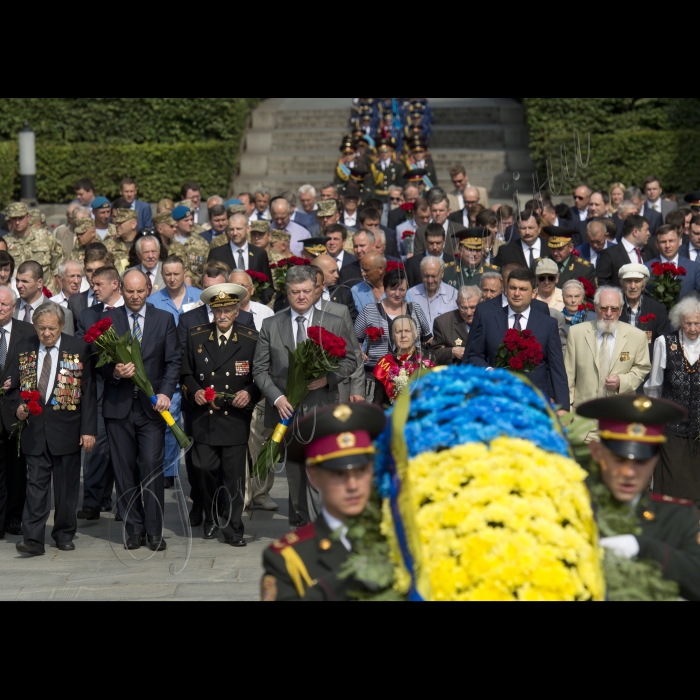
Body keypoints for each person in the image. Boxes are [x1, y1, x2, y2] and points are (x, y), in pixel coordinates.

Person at [253, 266, 358, 527]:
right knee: (296, 473)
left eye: (306, 291)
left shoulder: (332, 322)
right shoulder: (271, 324)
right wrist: (277, 398)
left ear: (316, 290)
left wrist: (328, 379)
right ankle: (302, 525)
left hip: (322, 407)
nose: (301, 296)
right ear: (287, 293)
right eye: (295, 292)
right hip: (286, 412)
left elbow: (351, 360)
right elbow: (259, 369)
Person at [577, 395, 700, 602]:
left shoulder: (677, 518)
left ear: (655, 460)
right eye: (619, 459)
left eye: (641, 462)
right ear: (597, 452)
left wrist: (646, 548)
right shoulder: (574, 509)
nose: (629, 472)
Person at [261, 403, 387, 602]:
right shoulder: (288, 558)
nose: (353, 485)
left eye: (360, 471)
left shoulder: (399, 538)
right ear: (313, 476)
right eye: (339, 474)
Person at [101, 270, 181, 552]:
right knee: (124, 471)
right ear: (120, 290)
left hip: (151, 409)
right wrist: (115, 371)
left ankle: (154, 531)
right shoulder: (110, 321)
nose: (135, 297)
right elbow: (98, 363)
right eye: (129, 291)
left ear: (148, 289)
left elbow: (173, 361)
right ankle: (133, 530)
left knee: (151, 465)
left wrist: (166, 392)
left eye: (140, 291)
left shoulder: (164, 319)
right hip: (119, 407)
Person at [8, 302, 97, 556]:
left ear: (62, 326)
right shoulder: (23, 348)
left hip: (67, 429)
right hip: (35, 430)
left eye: (51, 328)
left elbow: (89, 393)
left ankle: (64, 533)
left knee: (66, 487)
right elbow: (13, 388)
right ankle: (33, 538)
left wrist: (88, 430)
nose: (46, 333)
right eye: (41, 328)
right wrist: (18, 408)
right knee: (35, 485)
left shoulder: (79, 349)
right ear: (35, 327)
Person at [181, 283, 260, 547]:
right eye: (217, 310)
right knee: (203, 467)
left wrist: (250, 393)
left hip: (235, 418)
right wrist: (195, 391)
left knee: (235, 477)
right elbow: (186, 374)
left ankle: (233, 527)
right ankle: (211, 514)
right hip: (205, 418)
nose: (222, 315)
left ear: (237, 311)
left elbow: (259, 376)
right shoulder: (197, 336)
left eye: (227, 310)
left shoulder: (250, 338)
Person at [466, 267, 569, 412]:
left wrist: (563, 407)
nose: (516, 293)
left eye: (522, 289)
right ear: (506, 290)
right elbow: (473, 356)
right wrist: (490, 371)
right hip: (496, 400)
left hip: (536, 402)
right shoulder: (488, 319)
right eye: (512, 288)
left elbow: (556, 367)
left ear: (534, 293)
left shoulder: (548, 324)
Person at [147, 256, 201, 487]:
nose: (171, 278)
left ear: (184, 272)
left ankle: (195, 468)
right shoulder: (153, 300)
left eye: (176, 274)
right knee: (170, 423)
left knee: (194, 425)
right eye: (167, 274)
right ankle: (169, 472)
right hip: (168, 372)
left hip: (195, 372)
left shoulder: (199, 297)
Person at [75, 266, 123, 522]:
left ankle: (124, 504)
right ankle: (92, 503)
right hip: (100, 392)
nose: (93, 288)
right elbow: (82, 348)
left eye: (98, 284)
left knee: (123, 451)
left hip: (128, 394)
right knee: (95, 449)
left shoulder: (130, 312)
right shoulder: (87, 315)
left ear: (115, 284)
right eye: (92, 284)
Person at [228, 270, 277, 513]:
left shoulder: (266, 313)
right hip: (233, 389)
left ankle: (261, 492)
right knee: (238, 442)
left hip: (260, 388)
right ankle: (243, 494)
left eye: (243, 287)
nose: (238, 291)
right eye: (233, 286)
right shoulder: (223, 313)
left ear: (251, 289)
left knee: (260, 440)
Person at [646, 298, 700, 506]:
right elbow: (654, 386)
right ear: (680, 322)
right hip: (671, 430)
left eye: (697, 323)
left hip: (698, 434)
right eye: (688, 323)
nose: (693, 328)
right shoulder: (664, 342)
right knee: (670, 487)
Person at [565, 286, 651, 409]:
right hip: (583, 416)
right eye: (604, 308)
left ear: (621, 310)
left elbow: (642, 368)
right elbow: (568, 376)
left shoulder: (637, 336)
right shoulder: (576, 333)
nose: (609, 313)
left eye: (614, 309)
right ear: (596, 308)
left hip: (620, 415)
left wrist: (622, 381)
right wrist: (568, 409)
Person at [355, 266, 433, 398]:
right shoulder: (369, 310)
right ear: (385, 289)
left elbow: (428, 339)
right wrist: (361, 353)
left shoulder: (415, 309)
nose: (397, 294)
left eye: (402, 289)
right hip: (377, 376)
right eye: (393, 289)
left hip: (412, 377)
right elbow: (355, 340)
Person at [0, 286, 34, 538]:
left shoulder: (28, 332)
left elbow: (34, 366)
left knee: (16, 467)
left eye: (4, 305)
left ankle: (14, 517)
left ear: (14, 308)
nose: (0, 309)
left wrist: (20, 380)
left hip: (15, 411)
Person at [207, 213, 273, 303]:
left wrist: (259, 302)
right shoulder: (217, 254)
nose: (235, 233)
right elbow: (211, 284)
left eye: (238, 229)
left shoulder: (259, 253)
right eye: (231, 229)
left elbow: (268, 286)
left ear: (248, 229)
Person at [372, 315, 435, 407]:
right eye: (398, 332)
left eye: (407, 331)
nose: (403, 335)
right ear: (393, 336)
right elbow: (378, 401)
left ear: (415, 334)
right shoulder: (385, 361)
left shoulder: (428, 357)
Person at [4, 203, 65, 291]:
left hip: (47, 293)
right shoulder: (6, 241)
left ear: (28, 217)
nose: (17, 222)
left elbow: (59, 265)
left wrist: (60, 291)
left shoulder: (45, 236)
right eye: (14, 219)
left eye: (20, 218)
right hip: (19, 293)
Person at [618, 263, 670, 363]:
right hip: (619, 366)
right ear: (621, 283)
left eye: (637, 281)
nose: (633, 286)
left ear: (644, 284)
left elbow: (664, 343)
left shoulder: (658, 309)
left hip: (648, 367)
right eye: (628, 281)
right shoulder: (614, 307)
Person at [14, 261, 75, 335]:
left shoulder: (63, 314)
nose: (19, 285)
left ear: (39, 283)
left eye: (25, 281)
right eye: (17, 280)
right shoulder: (7, 308)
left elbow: (67, 345)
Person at [597, 215, 653, 288]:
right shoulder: (609, 254)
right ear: (635, 232)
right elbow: (602, 283)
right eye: (646, 230)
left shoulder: (646, 253)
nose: (648, 233)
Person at [646, 224, 700, 299]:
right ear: (657, 244)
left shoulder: (694, 267)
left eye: (671, 241)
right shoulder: (647, 269)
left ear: (679, 242)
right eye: (663, 242)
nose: (667, 245)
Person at [432, 286, 481, 365]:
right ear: (457, 303)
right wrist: (452, 352)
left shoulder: (489, 319)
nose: (468, 313)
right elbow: (433, 354)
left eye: (473, 307)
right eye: (464, 308)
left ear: (481, 302)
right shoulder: (443, 323)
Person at [410, 256, 458, 333]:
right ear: (421, 273)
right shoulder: (410, 295)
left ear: (442, 273)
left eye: (433, 276)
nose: (430, 281)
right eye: (426, 276)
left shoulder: (454, 295)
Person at [412, 192, 466, 259]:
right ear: (430, 212)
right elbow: (418, 258)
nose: (437, 213)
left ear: (448, 211)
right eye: (434, 210)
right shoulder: (421, 232)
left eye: (441, 210)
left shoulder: (460, 230)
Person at [167, 205, 210, 289]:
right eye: (186, 220)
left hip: (197, 290)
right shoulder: (169, 242)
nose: (190, 223)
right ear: (176, 223)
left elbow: (207, 267)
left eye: (191, 219)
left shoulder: (201, 242)